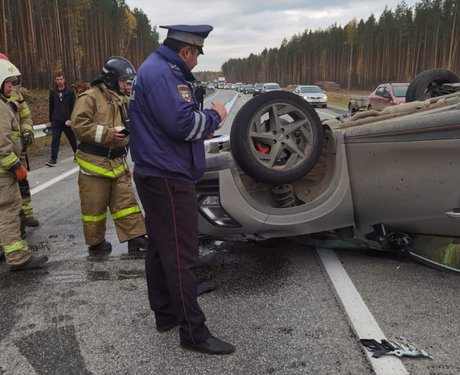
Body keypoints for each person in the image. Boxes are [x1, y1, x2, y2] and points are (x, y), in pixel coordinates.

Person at [129, 25, 235, 355]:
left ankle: (166, 312)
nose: (197, 59)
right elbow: (184, 124)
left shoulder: (155, 68)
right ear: (186, 51)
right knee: (181, 254)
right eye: (197, 53)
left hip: (157, 172)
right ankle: (193, 331)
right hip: (168, 177)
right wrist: (214, 116)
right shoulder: (165, 74)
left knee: (162, 248)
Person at [71, 56, 148, 258]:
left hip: (117, 161)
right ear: (111, 79)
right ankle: (96, 244)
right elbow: (79, 125)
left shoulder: (122, 99)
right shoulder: (89, 97)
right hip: (93, 165)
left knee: (126, 203)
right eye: (123, 80)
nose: (126, 85)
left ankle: (136, 238)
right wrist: (108, 133)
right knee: (93, 207)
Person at [0, 59, 48, 270]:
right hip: (3, 172)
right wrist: (15, 166)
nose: (12, 86)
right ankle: (18, 257)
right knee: (9, 212)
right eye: (8, 82)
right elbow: (2, 143)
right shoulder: (1, 108)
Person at [0, 53, 39, 227]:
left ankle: (27, 213)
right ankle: (15, 218)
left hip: (18, 148)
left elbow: (25, 115)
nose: (10, 83)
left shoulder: (15, 93)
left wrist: (27, 130)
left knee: (22, 182)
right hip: (5, 150)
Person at [46, 71, 78, 167]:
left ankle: (77, 154)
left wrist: (71, 119)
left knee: (72, 138)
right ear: (55, 80)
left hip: (67, 120)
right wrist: (51, 119)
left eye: (61, 79)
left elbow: (73, 107)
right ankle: (53, 158)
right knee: (55, 139)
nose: (59, 81)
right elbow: (51, 106)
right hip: (56, 120)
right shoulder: (53, 92)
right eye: (57, 79)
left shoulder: (70, 92)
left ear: (64, 79)